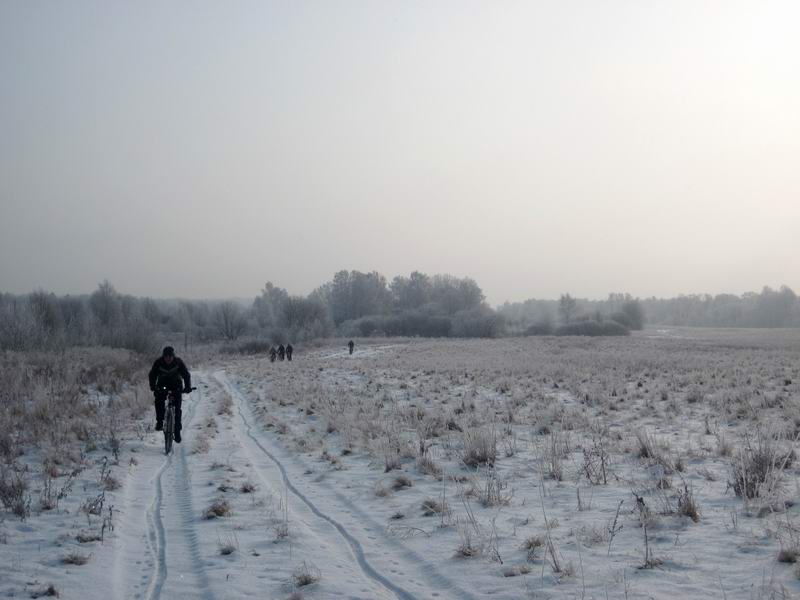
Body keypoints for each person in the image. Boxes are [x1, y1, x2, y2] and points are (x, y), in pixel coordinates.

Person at [148, 346, 191, 443]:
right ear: (163, 356)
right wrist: (153, 386)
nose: (168, 359)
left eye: (170, 356)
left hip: (176, 386)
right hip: (162, 385)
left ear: (173, 356)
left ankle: (177, 431)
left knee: (177, 408)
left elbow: (186, 375)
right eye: (166, 356)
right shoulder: (158, 362)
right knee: (159, 400)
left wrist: (187, 387)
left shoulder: (178, 362)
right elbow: (152, 375)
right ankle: (159, 422)